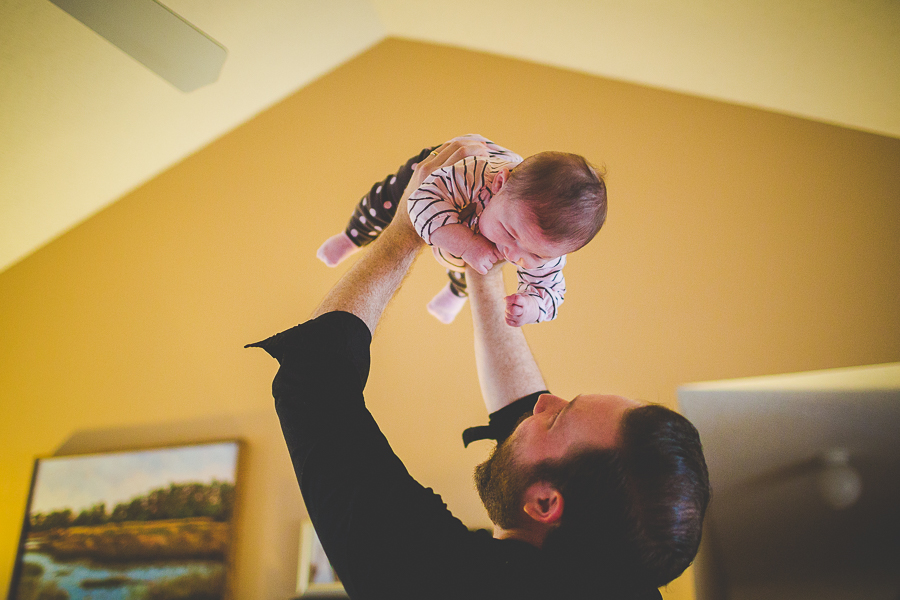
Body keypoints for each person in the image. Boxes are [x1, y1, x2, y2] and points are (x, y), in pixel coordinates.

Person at [249, 138, 710, 599]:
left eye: (558, 416)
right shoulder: (617, 575)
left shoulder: (444, 580)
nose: (544, 399)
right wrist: (481, 251)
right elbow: (521, 414)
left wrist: (404, 234)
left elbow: (313, 384)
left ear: (545, 502)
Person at [316, 134, 607, 326]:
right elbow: (421, 202)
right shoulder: (475, 174)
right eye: (511, 233)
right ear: (499, 185)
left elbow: (551, 291)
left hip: (474, 222)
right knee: (385, 200)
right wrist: (467, 244)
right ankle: (352, 236)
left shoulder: (545, 246)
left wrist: (532, 306)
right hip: (442, 173)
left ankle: (455, 293)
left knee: (481, 262)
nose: (512, 252)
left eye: (536, 256)